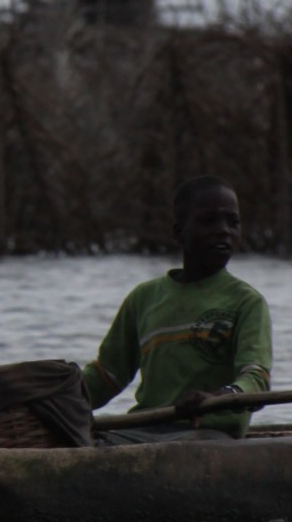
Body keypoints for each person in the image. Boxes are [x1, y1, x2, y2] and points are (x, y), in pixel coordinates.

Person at [81, 176, 272, 441]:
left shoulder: (246, 302)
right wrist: (54, 396)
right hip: (143, 430)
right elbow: (105, 378)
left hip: (208, 434)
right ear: (178, 233)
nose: (224, 230)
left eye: (233, 222)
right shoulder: (143, 298)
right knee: (75, 441)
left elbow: (256, 379)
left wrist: (219, 396)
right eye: (209, 221)